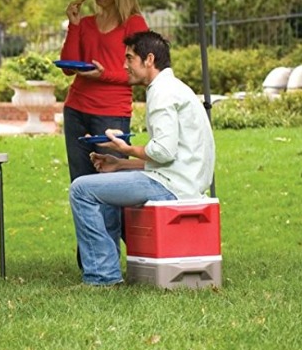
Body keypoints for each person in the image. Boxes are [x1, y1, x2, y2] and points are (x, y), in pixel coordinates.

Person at [69, 31, 216, 286]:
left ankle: (102, 277)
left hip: (171, 188)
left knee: (81, 189)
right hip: (182, 181)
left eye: (129, 58)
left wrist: (124, 148)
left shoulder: (161, 93)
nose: (124, 65)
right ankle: (106, 271)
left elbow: (162, 151)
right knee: (100, 188)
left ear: (149, 59)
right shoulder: (175, 88)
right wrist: (119, 165)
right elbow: (172, 157)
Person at [59, 0, 149, 182]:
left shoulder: (134, 24)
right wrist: (74, 25)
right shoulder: (87, 23)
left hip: (111, 114)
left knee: (112, 182)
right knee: (80, 182)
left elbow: (143, 73)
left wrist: (104, 74)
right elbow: (69, 68)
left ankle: (113, 220)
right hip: (76, 110)